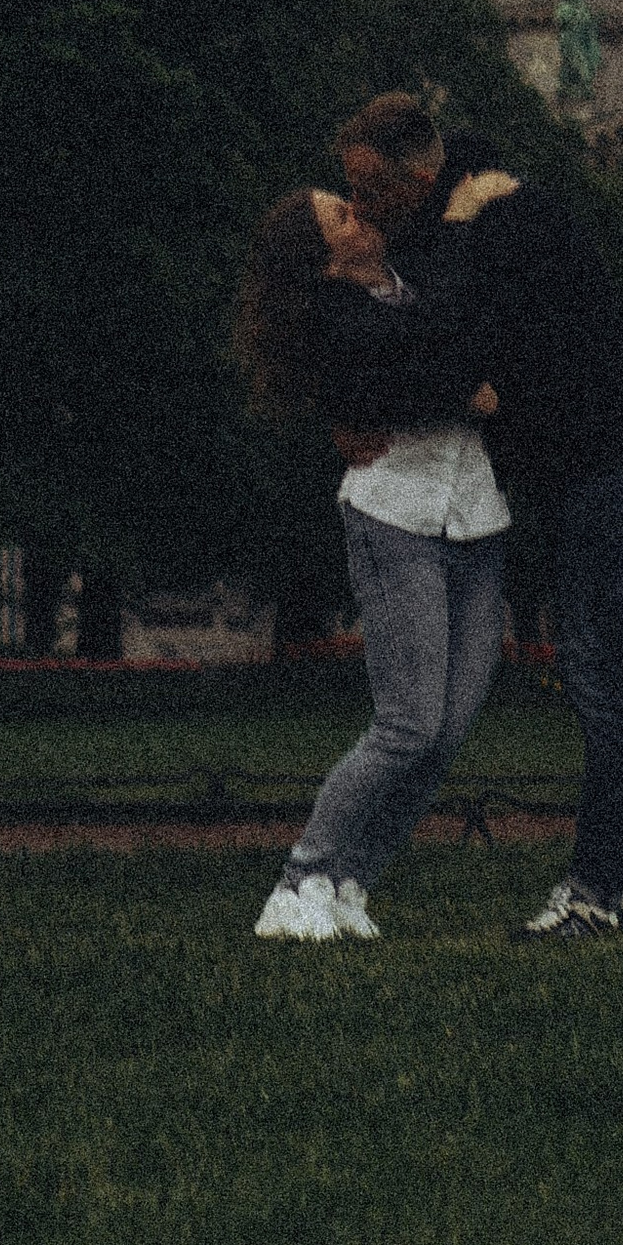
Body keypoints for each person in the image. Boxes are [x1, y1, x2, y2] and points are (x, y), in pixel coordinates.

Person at [336, 92, 623, 937]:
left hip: (602, 459)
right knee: (606, 673)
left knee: (598, 676)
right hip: (604, 456)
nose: (365, 207)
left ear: (417, 174)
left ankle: (595, 893)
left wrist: (451, 242)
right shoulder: (473, 201)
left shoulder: (491, 215)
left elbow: (447, 329)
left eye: (371, 188)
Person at [233, 181, 507, 940]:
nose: (363, 213)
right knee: (409, 725)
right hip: (394, 514)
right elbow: (416, 368)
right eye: (344, 217)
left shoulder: (412, 279)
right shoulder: (337, 317)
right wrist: (462, 387)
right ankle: (296, 886)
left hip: (475, 515)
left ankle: (351, 882)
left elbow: (461, 342)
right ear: (325, 262)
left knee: (447, 733)